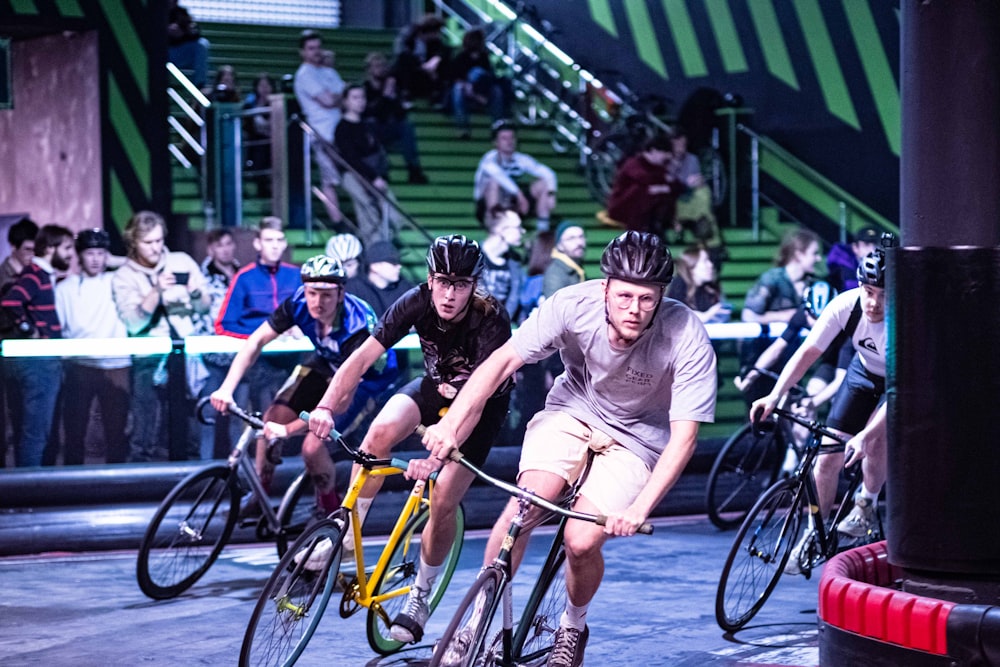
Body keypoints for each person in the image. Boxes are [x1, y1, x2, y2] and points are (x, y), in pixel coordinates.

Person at [423, 231, 717, 667]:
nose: (633, 310)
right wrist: (451, 427)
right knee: (524, 507)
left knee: (581, 542)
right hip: (574, 411)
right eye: (624, 296)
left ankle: (572, 625)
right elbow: (501, 362)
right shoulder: (571, 305)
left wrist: (641, 509)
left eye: (646, 298)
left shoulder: (687, 335)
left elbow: (685, 437)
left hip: (639, 439)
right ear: (605, 289)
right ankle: (476, 624)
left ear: (662, 296)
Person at [306, 234, 514, 644]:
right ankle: (347, 535)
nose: (449, 294)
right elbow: (362, 358)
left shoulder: (491, 318)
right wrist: (327, 406)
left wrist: (437, 458)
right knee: (377, 434)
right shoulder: (415, 300)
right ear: (430, 277)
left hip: (481, 406)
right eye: (442, 281)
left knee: (441, 499)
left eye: (460, 284)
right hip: (436, 386)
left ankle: (420, 593)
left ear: (475, 286)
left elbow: (473, 403)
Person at [209, 255, 399, 516]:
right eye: (312, 293)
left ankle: (329, 508)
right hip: (326, 362)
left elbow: (340, 402)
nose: (317, 303)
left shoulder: (356, 328)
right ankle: (260, 497)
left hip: (368, 379)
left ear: (341, 293)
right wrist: (226, 389)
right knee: (269, 420)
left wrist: (288, 430)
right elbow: (255, 342)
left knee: (312, 447)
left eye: (326, 295)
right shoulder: (298, 302)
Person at [750, 249, 888, 574]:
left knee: (875, 442)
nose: (874, 303)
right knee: (826, 459)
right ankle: (816, 533)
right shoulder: (846, 305)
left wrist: (866, 435)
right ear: (859, 286)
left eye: (884, 295)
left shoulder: (905, 320)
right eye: (869, 292)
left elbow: (899, 391)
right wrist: (774, 395)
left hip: (898, 382)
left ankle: (866, 503)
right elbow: (807, 351)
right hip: (863, 373)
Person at [111, 210, 211, 462]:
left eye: (159, 240)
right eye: (148, 243)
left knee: (190, 433)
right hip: (149, 359)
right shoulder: (124, 276)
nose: (156, 248)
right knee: (145, 433)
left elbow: (205, 308)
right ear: (134, 242)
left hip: (186, 357)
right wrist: (156, 291)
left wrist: (195, 293)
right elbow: (134, 324)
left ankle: (191, 486)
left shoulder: (182, 261)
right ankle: (143, 493)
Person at [54, 229, 131, 465]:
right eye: (90, 253)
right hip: (80, 363)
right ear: (80, 255)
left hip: (116, 363)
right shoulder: (66, 287)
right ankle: (71, 484)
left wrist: (113, 259)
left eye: (101, 253)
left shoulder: (117, 280)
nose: (96, 259)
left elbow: (140, 264)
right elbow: (60, 325)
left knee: (116, 430)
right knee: (75, 429)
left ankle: (118, 484)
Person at [1, 224, 75, 467]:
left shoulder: (40, 273)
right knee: (35, 435)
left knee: (35, 433)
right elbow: (11, 302)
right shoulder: (35, 273)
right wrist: (30, 330)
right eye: (66, 248)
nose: (71, 254)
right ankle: (27, 497)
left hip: (39, 361)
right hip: (39, 362)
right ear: (50, 249)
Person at [215, 217, 302, 422]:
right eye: (269, 240)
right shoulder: (244, 277)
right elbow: (223, 325)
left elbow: (311, 316)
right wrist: (267, 332)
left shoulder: (296, 275)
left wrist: (298, 328)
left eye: (279, 240)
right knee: (266, 416)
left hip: (294, 358)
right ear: (257, 243)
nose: (274, 246)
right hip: (259, 362)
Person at [335, 83, 405, 247]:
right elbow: (350, 158)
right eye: (355, 97)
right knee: (368, 211)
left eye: (362, 97)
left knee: (394, 214)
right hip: (353, 174)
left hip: (373, 173)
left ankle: (383, 245)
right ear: (345, 101)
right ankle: (375, 250)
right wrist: (373, 177)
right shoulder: (342, 128)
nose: (360, 101)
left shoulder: (368, 124)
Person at [294, 30, 345, 225]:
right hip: (322, 134)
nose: (316, 52)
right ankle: (338, 223)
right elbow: (328, 100)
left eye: (318, 47)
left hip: (340, 132)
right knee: (329, 180)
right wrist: (337, 97)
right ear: (302, 52)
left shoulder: (329, 72)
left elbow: (341, 98)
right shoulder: (304, 74)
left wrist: (336, 98)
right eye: (311, 48)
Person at [474, 119, 557, 231]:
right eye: (504, 138)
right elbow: (499, 176)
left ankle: (542, 231)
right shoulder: (488, 160)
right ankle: (494, 229)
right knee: (493, 182)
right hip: (486, 207)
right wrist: (520, 195)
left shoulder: (521, 159)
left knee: (543, 184)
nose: (509, 142)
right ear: (495, 142)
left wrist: (551, 193)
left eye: (512, 137)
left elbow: (548, 173)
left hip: (513, 203)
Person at [363, 52, 429, 185]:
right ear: (369, 69)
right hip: (371, 130)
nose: (380, 69)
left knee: (406, 126)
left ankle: (414, 169)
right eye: (376, 66)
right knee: (371, 124)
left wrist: (393, 98)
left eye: (382, 66)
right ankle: (381, 171)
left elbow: (400, 113)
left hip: (388, 127)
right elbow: (370, 112)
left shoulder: (391, 86)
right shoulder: (364, 89)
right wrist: (385, 96)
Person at [605, 133, 680, 236]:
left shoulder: (659, 168)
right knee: (640, 190)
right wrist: (660, 187)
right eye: (665, 153)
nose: (667, 157)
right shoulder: (633, 164)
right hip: (623, 207)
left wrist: (661, 188)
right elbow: (644, 180)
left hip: (648, 212)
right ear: (654, 151)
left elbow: (673, 185)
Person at [741, 228, 822, 324]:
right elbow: (748, 316)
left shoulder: (813, 283)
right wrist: (784, 316)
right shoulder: (772, 279)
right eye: (814, 253)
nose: (819, 259)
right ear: (799, 254)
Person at [668, 127, 724, 254]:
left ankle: (712, 243)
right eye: (677, 144)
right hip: (671, 196)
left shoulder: (692, 159)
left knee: (704, 192)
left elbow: (696, 178)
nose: (681, 147)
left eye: (683, 144)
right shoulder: (665, 159)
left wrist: (698, 181)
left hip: (690, 195)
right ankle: (711, 242)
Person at [450, 27, 508, 140]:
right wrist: (468, 87)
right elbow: (455, 77)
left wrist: (478, 93)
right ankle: (463, 127)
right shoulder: (460, 57)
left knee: (496, 90)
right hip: (464, 91)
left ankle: (497, 125)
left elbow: (489, 78)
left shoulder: (484, 57)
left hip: (481, 90)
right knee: (458, 88)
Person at [343, 241, 415, 319]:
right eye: (393, 263)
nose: (399, 266)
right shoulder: (353, 290)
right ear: (375, 266)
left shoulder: (404, 288)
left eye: (399, 262)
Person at [392, 13, 452, 106]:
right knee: (405, 61)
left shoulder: (434, 42)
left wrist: (436, 59)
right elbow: (401, 54)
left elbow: (444, 50)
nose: (437, 36)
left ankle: (437, 95)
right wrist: (421, 66)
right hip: (408, 73)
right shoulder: (408, 37)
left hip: (426, 75)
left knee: (444, 63)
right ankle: (405, 94)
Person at [479, 205, 526, 319]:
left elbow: (517, 300)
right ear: (501, 230)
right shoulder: (473, 256)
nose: (523, 231)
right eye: (518, 227)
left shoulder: (515, 260)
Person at [667, 245, 730, 324]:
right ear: (692, 266)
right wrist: (706, 316)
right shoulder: (679, 285)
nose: (710, 265)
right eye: (705, 261)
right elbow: (676, 315)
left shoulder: (710, 287)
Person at [243, 73, 276, 197]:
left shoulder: (277, 104)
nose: (265, 88)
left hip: (274, 140)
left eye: (267, 85)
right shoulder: (249, 104)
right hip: (255, 141)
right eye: (261, 85)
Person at [167, 0, 210, 88]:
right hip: (164, 53)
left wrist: (183, 33)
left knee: (202, 44)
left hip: (181, 52)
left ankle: (200, 85)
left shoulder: (182, 13)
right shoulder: (156, 13)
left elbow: (195, 32)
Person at [826, 226, 880, 293]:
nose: (872, 250)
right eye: (866, 245)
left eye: (876, 245)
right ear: (855, 248)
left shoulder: (882, 268)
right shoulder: (843, 271)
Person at [543, 220, 586, 298]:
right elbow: (554, 307)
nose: (579, 242)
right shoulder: (555, 273)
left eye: (581, 237)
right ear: (559, 245)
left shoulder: (576, 267)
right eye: (571, 238)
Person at [0, 217, 38, 290]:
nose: (33, 254)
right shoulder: (2, 276)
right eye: (28, 249)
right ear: (13, 246)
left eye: (35, 249)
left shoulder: (38, 273)